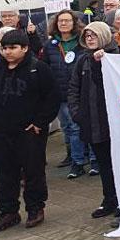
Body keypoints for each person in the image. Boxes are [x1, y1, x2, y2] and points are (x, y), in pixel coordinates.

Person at [0, 29, 60, 232]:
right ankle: (8, 211)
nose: (8, 52)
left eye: (13, 48)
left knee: (33, 171)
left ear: (24, 48)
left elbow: (52, 97)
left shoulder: (38, 68)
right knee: (3, 173)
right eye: (4, 48)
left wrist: (39, 123)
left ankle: (35, 208)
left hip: (29, 131)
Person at [69, 22, 120, 220]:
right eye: (87, 35)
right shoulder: (83, 60)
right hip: (91, 120)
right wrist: (77, 114)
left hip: (112, 121)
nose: (90, 39)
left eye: (94, 35)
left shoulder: (116, 56)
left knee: (118, 163)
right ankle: (109, 199)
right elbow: (74, 88)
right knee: (104, 164)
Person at [45, 10, 96, 179]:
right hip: (60, 93)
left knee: (79, 127)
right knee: (67, 128)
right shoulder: (50, 45)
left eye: (67, 20)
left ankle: (81, 161)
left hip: (81, 92)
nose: (63, 24)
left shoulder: (82, 42)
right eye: (60, 21)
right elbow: (45, 66)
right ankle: (77, 157)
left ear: (74, 23)